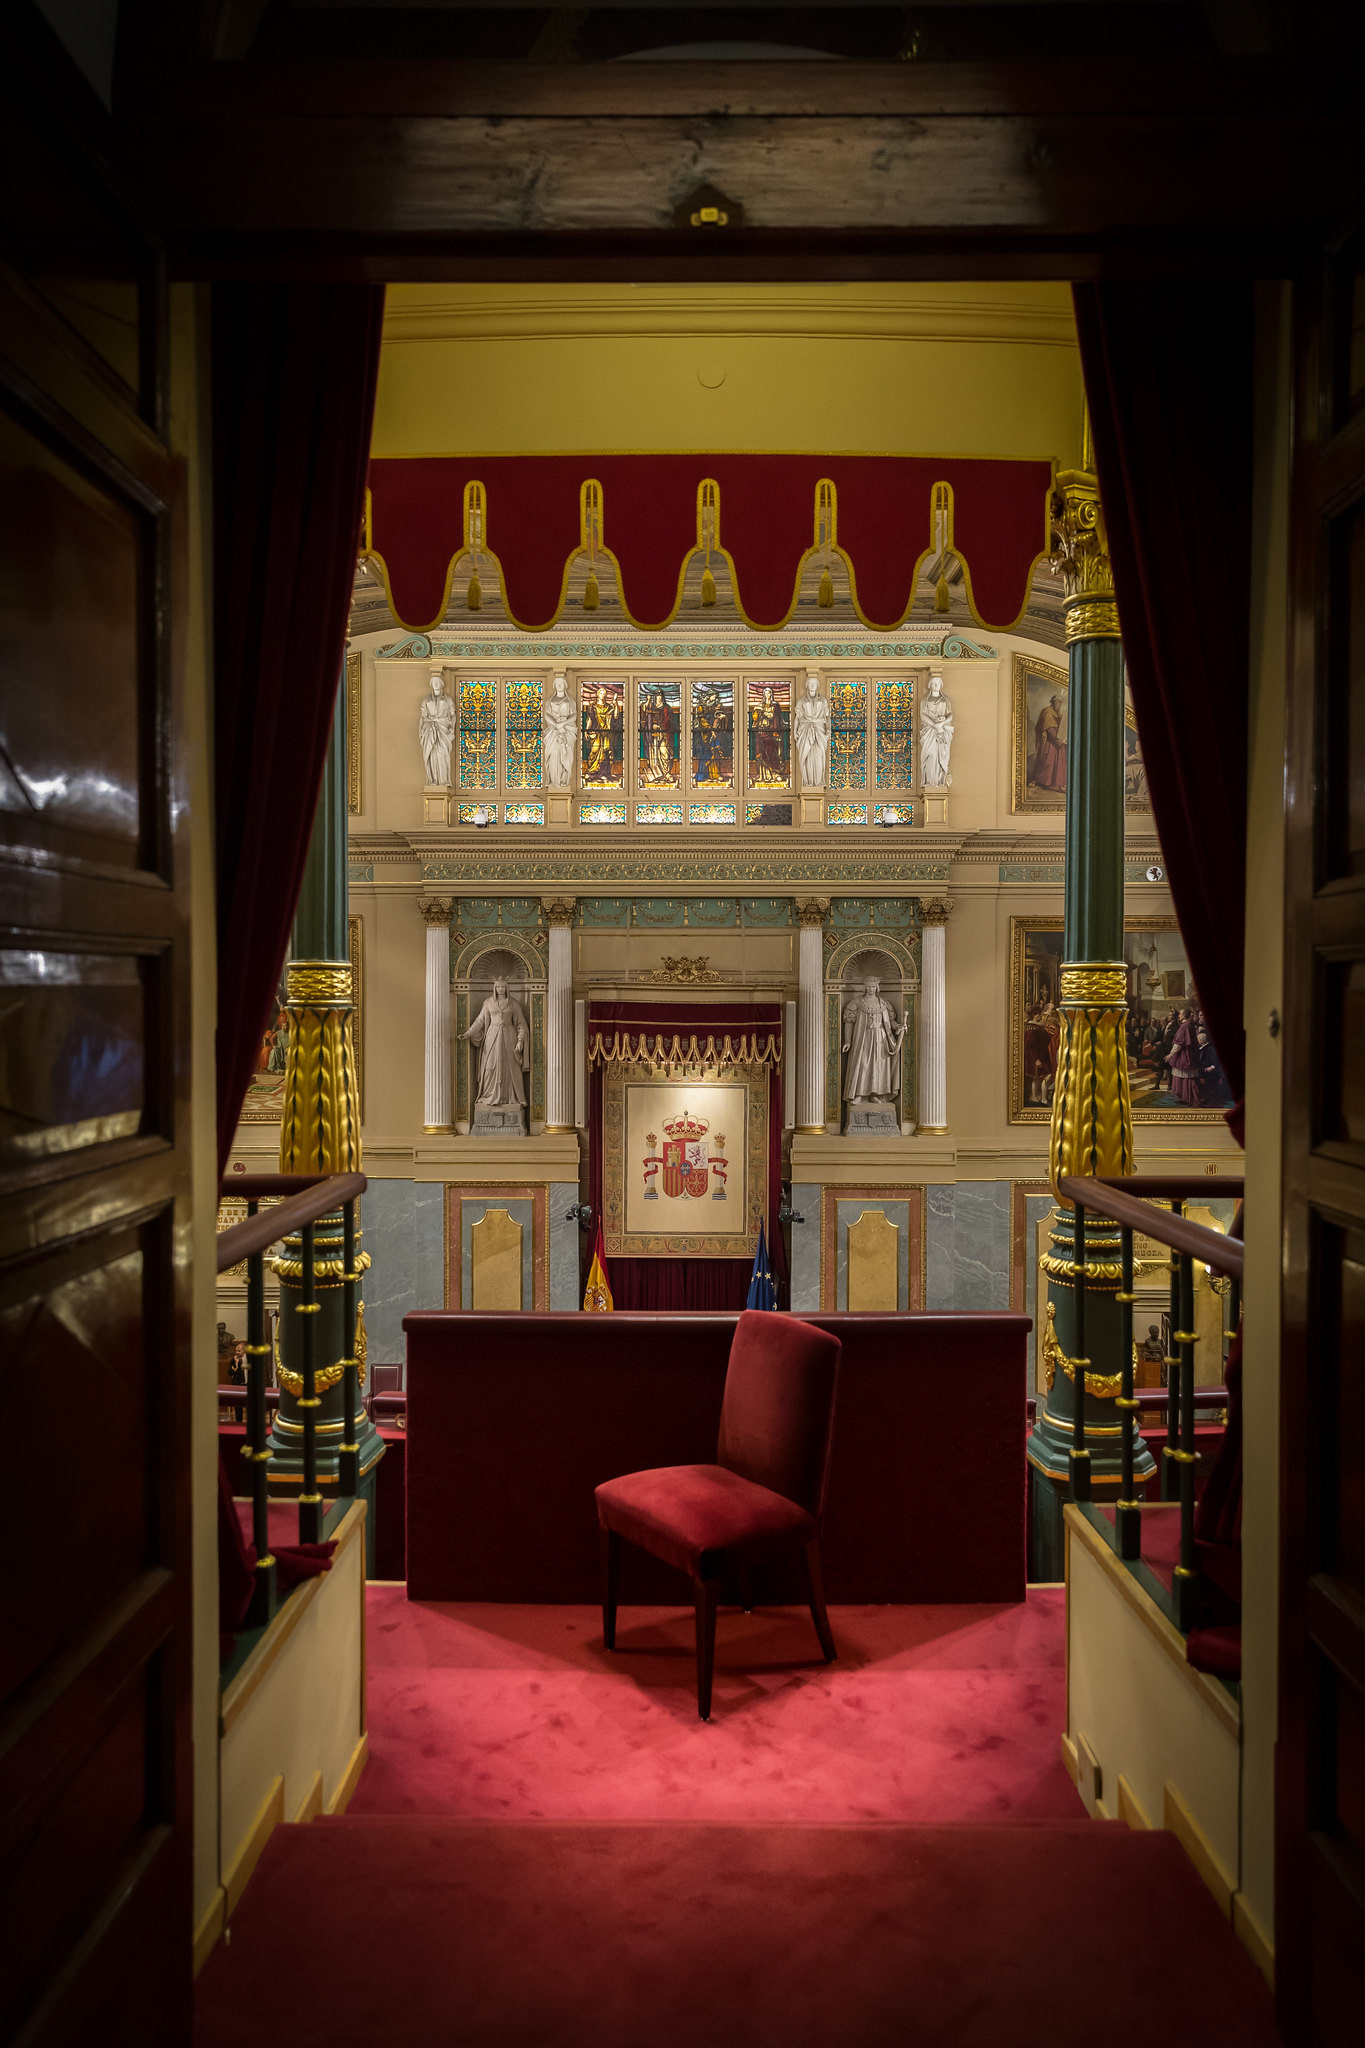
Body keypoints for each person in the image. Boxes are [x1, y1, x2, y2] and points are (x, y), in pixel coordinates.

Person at [460, 978, 530, 1111]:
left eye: (503, 987)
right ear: (495, 988)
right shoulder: (488, 1003)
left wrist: (520, 1040)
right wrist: (468, 1033)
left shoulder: (514, 1004)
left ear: (507, 988)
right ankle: (489, 1094)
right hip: (492, 1037)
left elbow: (521, 1024)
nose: (501, 989)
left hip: (509, 1037)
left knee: (510, 1067)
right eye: (498, 987)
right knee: (489, 1066)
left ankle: (509, 1097)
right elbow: (480, 1021)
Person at [842, 977, 907, 1102]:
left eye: (873, 986)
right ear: (865, 987)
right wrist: (847, 1041)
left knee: (877, 1066)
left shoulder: (883, 1003)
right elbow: (849, 1022)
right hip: (862, 1039)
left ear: (877, 987)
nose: (871, 989)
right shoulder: (857, 1002)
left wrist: (899, 1026)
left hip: (880, 1039)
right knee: (862, 1064)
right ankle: (859, 1094)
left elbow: (890, 1022)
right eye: (869, 986)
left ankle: (874, 1094)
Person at [418, 670, 456, 785]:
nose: (435, 684)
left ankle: (443, 780)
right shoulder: (426, 701)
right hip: (430, 730)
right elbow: (423, 717)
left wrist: (452, 728)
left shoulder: (448, 700)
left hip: (443, 729)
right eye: (433, 682)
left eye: (437, 682)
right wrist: (422, 730)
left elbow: (453, 716)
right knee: (432, 755)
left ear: (441, 684)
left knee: (442, 754)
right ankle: (433, 780)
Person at [794, 673, 830, 788]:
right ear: (807, 685)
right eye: (811, 683)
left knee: (818, 756)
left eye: (815, 683)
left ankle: (818, 782)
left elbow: (827, 717)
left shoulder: (823, 700)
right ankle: (809, 781)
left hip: (819, 730)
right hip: (805, 730)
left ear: (817, 685)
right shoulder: (801, 701)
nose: (813, 685)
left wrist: (828, 730)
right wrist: (794, 732)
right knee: (808, 757)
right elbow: (797, 718)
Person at [919, 673, 954, 787]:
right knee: (931, 755)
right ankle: (930, 781)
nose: (936, 685)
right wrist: (935, 725)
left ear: (941, 685)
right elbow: (923, 715)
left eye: (938, 683)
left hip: (943, 731)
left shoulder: (945, 700)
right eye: (934, 683)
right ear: (930, 685)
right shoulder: (925, 701)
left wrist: (942, 723)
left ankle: (939, 780)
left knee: (941, 755)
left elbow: (950, 715)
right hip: (929, 731)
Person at [582, 685, 621, 785]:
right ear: (598, 695)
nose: (603, 695)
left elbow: (616, 715)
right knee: (594, 751)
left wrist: (615, 703)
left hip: (606, 733)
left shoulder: (609, 707)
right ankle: (591, 772)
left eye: (605, 694)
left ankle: (603, 773)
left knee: (605, 752)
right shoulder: (593, 706)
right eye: (602, 693)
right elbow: (590, 719)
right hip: (596, 733)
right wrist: (586, 730)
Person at [543, 673, 575, 788]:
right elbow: (547, 714)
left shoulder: (570, 701)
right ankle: (554, 782)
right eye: (557, 684)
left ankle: (563, 780)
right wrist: (556, 724)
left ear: (565, 685)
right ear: (554, 686)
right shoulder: (550, 701)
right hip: (553, 730)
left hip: (567, 730)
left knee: (565, 753)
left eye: (561, 683)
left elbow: (574, 715)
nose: (559, 685)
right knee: (554, 752)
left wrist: (563, 723)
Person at [1032, 692, 1066, 791]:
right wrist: (1060, 740)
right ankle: (1042, 781)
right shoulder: (1048, 712)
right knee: (1047, 763)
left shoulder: (1057, 713)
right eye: (1059, 702)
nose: (1060, 705)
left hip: (1056, 740)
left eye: (1061, 703)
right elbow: (1050, 730)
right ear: (1054, 702)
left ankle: (1058, 782)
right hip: (1049, 742)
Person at [1167, 1008, 1201, 1105]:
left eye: (1180, 1014)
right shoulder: (1189, 1024)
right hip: (1188, 1053)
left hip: (1184, 1054)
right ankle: (1185, 1098)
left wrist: (1171, 1054)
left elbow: (1179, 1043)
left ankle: (1189, 1098)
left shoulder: (1184, 1026)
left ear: (1184, 1015)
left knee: (1186, 1077)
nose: (1179, 1016)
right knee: (1185, 1076)